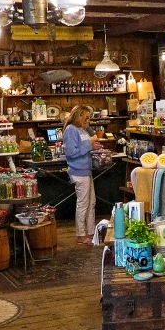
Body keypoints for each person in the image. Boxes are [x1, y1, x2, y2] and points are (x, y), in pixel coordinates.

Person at [63, 105, 101, 245]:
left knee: (91, 203)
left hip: (86, 170)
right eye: (85, 117)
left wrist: (94, 148)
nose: (87, 120)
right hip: (78, 171)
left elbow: (84, 148)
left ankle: (91, 232)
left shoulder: (82, 130)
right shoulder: (71, 130)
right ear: (78, 116)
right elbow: (71, 152)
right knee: (83, 203)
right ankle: (81, 234)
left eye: (88, 118)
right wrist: (90, 147)